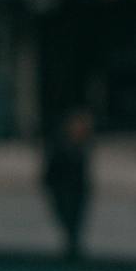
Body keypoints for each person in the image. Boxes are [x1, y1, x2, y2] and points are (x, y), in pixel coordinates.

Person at [42, 108, 94, 262]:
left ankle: (72, 248)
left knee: (74, 221)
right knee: (68, 219)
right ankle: (72, 248)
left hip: (75, 189)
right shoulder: (63, 145)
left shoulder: (80, 146)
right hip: (64, 189)